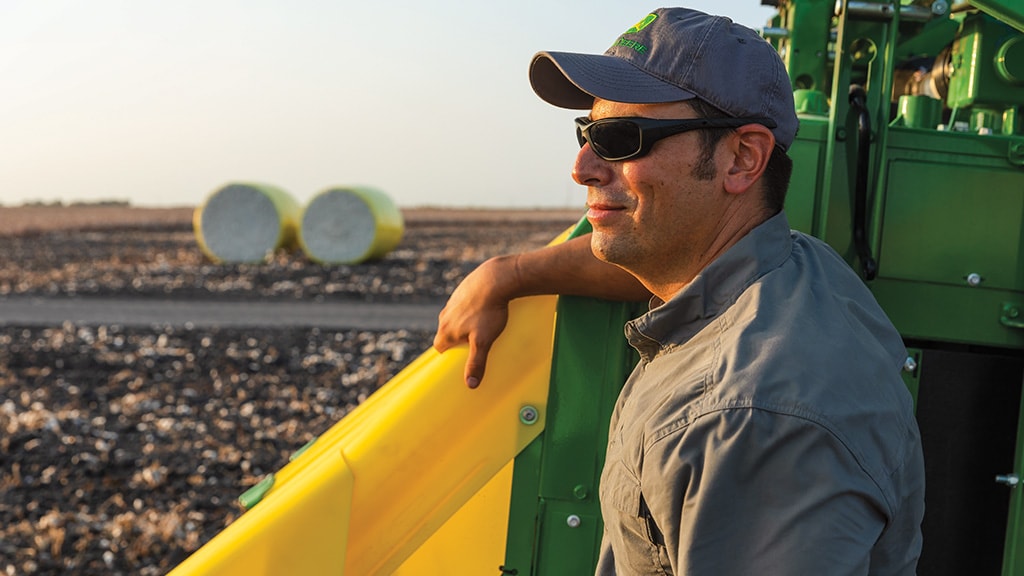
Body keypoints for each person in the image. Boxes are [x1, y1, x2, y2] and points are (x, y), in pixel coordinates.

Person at [434, 7, 925, 575]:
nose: (583, 167)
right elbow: (662, 252)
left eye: (622, 138)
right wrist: (511, 273)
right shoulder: (790, 268)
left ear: (742, 158)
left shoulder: (750, 422)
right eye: (586, 132)